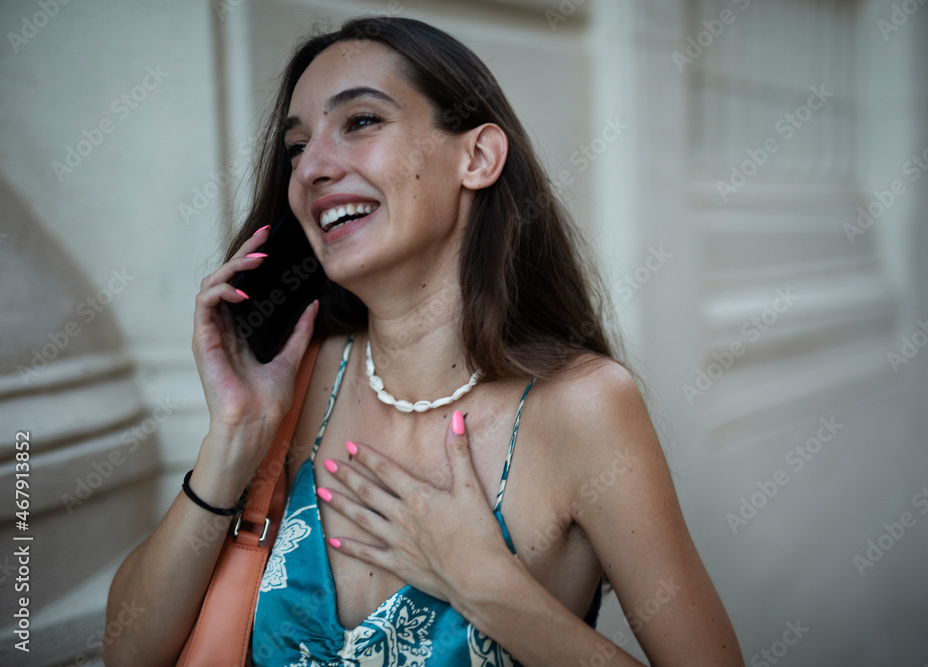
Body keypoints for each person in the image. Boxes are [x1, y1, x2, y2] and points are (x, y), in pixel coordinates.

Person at [104, 15, 743, 667]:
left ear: (478, 157)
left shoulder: (584, 408)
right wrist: (234, 438)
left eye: (359, 122)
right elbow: (129, 652)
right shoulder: (293, 377)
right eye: (297, 148)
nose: (313, 168)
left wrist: (488, 587)